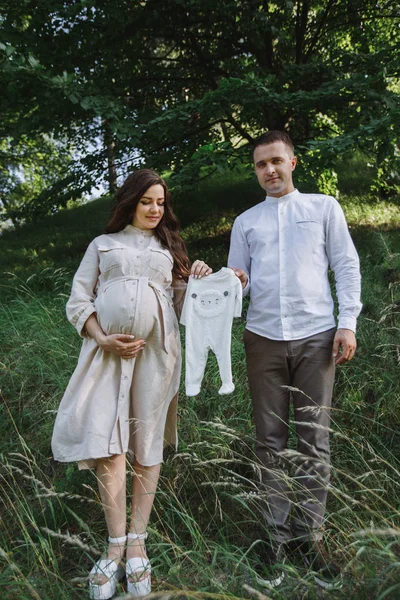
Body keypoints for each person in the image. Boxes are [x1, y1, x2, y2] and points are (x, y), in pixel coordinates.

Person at [51, 169, 212, 600]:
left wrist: (196, 274)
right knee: (110, 445)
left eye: (160, 202)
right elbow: (78, 299)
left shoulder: (168, 247)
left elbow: (186, 305)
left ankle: (138, 543)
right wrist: (102, 336)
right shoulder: (102, 246)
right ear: (130, 202)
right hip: (106, 356)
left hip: (156, 357)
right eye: (147, 202)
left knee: (147, 444)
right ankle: (114, 546)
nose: (155, 209)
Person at [228, 131, 362, 590]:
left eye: (276, 161)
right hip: (262, 337)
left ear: (293, 162)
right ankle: (277, 539)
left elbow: (345, 265)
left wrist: (348, 323)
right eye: (261, 164)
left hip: (317, 336)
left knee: (314, 440)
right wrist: (233, 281)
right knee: (269, 440)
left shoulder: (324, 208)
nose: (269, 170)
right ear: (256, 170)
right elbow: (237, 287)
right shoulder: (245, 221)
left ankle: (311, 539)